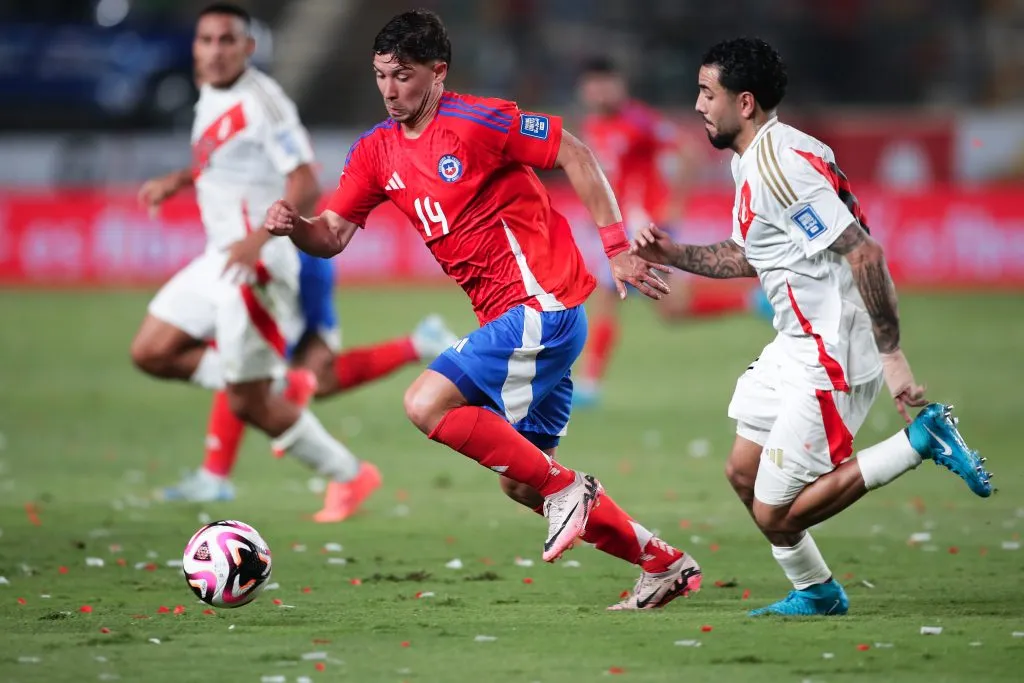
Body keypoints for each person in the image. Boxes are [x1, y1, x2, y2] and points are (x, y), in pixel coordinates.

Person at [265, 9, 702, 609]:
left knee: (426, 402)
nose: (390, 90)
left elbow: (574, 152)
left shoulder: (476, 121)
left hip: (542, 305)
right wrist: (297, 227)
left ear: (438, 73)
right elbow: (333, 235)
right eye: (381, 76)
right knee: (522, 482)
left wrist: (618, 248)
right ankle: (662, 563)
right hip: (519, 320)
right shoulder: (376, 152)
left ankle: (570, 490)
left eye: (404, 76)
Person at [631, 37, 994, 616]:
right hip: (796, 341)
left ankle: (919, 440)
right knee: (742, 473)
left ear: (744, 102)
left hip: (833, 348)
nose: (697, 104)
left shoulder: (781, 167)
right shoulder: (754, 157)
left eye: (707, 92)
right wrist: (674, 254)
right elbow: (754, 254)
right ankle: (817, 591)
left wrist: (892, 356)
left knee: (778, 510)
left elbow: (865, 253)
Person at [131, 3, 380, 522]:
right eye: (207, 40)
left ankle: (350, 474)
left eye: (228, 41)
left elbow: (306, 181)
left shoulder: (264, 103)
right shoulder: (212, 94)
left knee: (247, 405)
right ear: (195, 47)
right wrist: (177, 181)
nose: (216, 50)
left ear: (248, 48)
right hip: (220, 258)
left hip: (258, 266)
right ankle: (264, 381)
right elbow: (219, 159)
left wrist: (259, 238)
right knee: (152, 351)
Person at [573, 57, 767, 407]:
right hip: (624, 222)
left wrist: (673, 206)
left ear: (620, 85)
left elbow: (689, 153)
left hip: (643, 225)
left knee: (606, 295)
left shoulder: (637, 120)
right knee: (672, 309)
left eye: (606, 82)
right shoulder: (593, 126)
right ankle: (750, 301)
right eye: (593, 83)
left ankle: (589, 384)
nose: (599, 91)